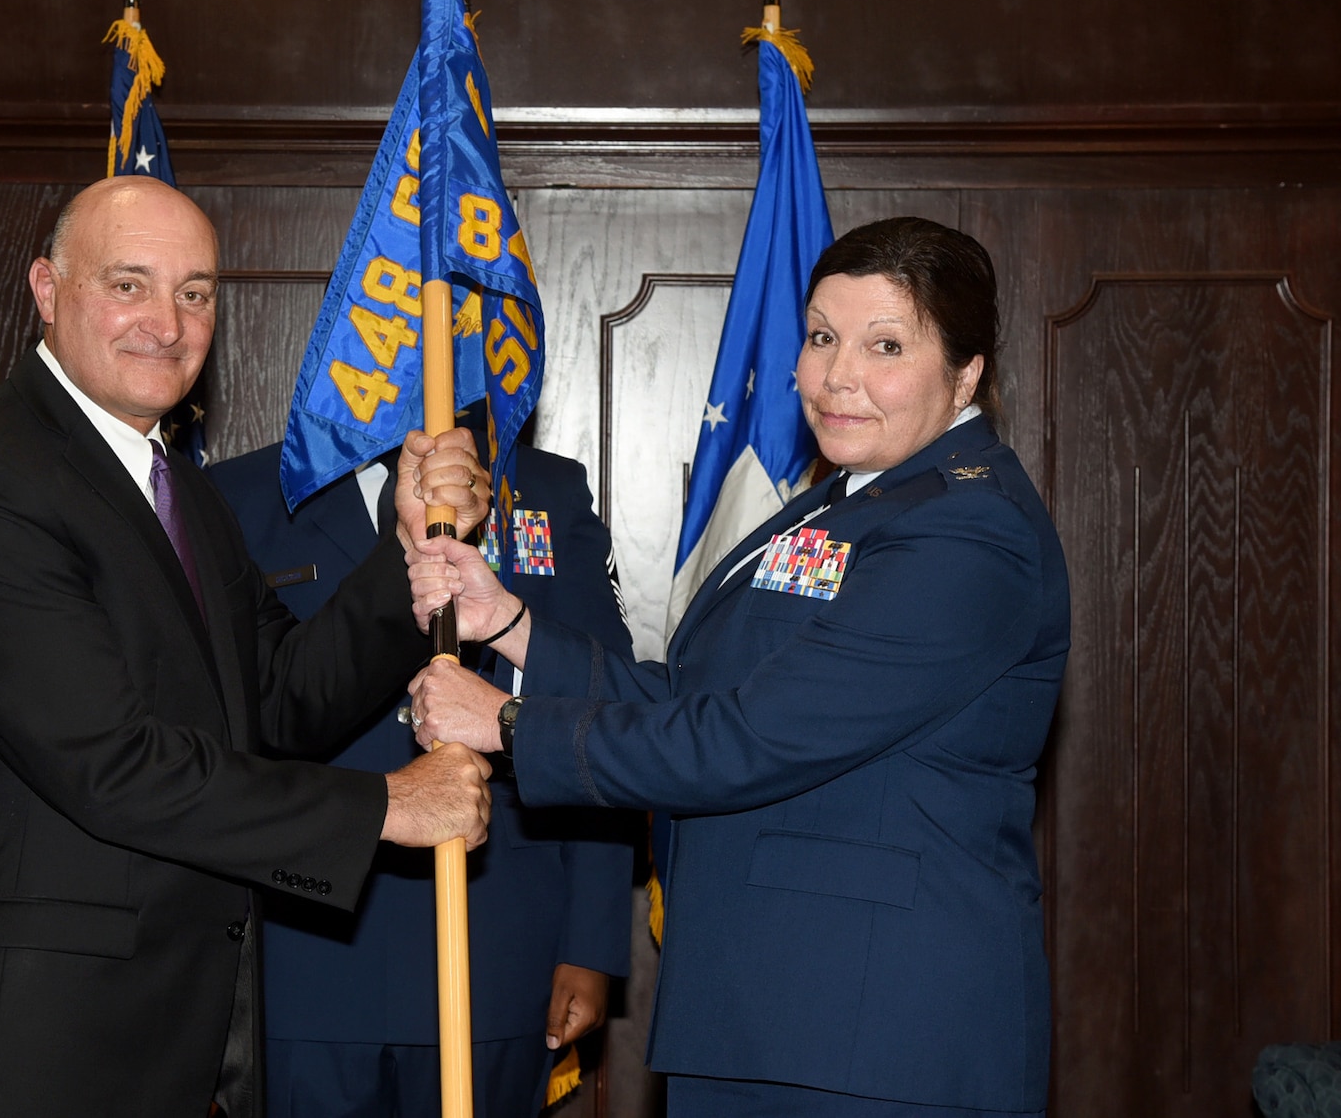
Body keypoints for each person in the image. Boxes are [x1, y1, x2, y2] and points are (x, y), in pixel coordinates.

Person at [407, 216, 1070, 1117]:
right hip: (767, 1011)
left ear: (966, 374)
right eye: (822, 337)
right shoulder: (842, 502)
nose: (839, 377)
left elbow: (751, 738)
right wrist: (516, 628)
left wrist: (507, 726)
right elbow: (700, 700)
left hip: (876, 1041)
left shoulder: (969, 533)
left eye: (885, 346)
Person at [0, 175, 495, 1118]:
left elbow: (279, 700)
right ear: (47, 290)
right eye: (129, 284)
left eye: (195, 292)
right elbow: (113, 765)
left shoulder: (180, 491)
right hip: (33, 1054)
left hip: (175, 1041)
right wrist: (382, 807)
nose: (166, 322)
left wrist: (402, 547)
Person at [214, 433, 635, 1117]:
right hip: (309, 955)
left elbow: (606, 713)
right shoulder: (243, 491)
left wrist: (591, 935)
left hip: (495, 939)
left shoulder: (545, 490)